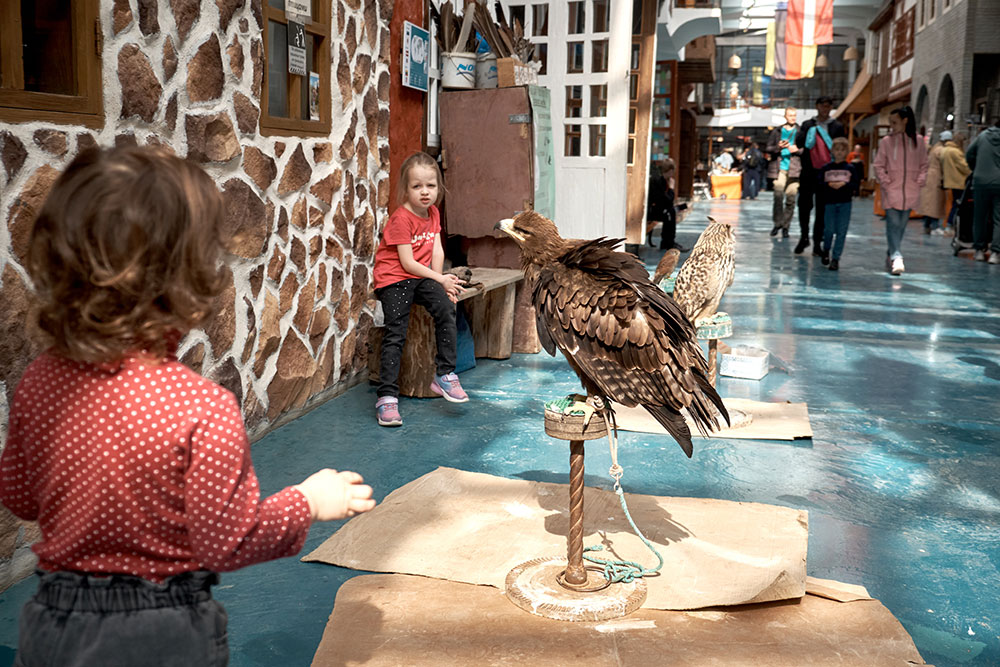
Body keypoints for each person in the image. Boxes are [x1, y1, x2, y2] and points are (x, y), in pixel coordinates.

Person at [0, 146, 377, 666]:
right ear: (187, 277)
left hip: (55, 623)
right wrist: (307, 502)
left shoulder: (41, 381)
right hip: (164, 632)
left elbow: (20, 497)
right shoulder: (202, 408)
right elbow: (228, 540)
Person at [373, 151, 468, 426]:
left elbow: (436, 250)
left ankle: (445, 374)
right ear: (406, 189)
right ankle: (386, 397)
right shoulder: (401, 219)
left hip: (421, 276)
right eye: (417, 186)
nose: (425, 192)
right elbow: (407, 262)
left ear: (439, 187)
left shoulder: (433, 212)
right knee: (396, 333)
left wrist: (441, 284)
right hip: (394, 278)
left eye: (431, 185)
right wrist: (440, 279)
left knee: (446, 307)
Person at [873, 106, 928, 275]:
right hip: (891, 190)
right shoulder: (886, 142)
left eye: (894, 122)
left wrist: (919, 181)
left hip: (910, 191)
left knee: (901, 226)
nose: (891, 126)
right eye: (890, 122)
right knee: (893, 224)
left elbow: (924, 164)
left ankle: (891, 252)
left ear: (905, 121)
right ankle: (897, 257)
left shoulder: (918, 141)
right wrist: (886, 182)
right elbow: (878, 165)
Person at [795, 96, 846, 256]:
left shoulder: (837, 126)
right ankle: (804, 236)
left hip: (826, 173)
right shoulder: (807, 124)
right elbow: (799, 143)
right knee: (804, 206)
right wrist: (810, 132)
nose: (825, 109)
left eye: (828, 106)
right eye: (822, 105)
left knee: (822, 209)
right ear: (817, 106)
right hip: (808, 171)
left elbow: (842, 147)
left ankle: (818, 242)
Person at [817, 137, 861, 271]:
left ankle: (836, 258)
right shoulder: (826, 168)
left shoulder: (850, 168)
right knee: (829, 230)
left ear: (847, 152)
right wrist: (828, 185)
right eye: (837, 149)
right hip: (829, 202)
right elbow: (819, 184)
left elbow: (855, 184)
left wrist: (845, 185)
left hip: (845, 203)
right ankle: (826, 249)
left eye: (842, 150)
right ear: (832, 151)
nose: (840, 152)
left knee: (841, 231)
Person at [966, 118, 1000, 262]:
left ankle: (979, 250)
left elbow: (969, 153)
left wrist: (976, 168)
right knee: (998, 218)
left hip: (981, 181)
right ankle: (995, 253)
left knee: (980, 216)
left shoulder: (983, 136)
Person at [765, 108, 802, 237]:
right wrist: (778, 147)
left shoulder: (800, 131)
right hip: (779, 169)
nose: (793, 117)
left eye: (794, 115)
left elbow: (807, 149)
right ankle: (777, 223)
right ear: (785, 116)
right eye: (790, 115)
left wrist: (796, 150)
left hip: (795, 169)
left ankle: (786, 226)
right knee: (778, 196)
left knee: (791, 200)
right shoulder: (777, 131)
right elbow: (768, 148)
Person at [647, 157, 687, 252]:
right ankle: (669, 243)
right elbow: (667, 199)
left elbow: (667, 201)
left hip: (659, 208)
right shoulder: (658, 181)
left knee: (672, 210)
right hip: (652, 211)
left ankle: (668, 242)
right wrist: (671, 188)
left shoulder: (663, 180)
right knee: (670, 212)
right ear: (670, 170)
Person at [917, 130, 948, 235]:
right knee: (935, 203)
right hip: (936, 178)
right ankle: (935, 226)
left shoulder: (934, 148)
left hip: (930, 177)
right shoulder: (941, 150)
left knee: (929, 204)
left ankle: (927, 225)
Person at [941, 131, 971, 233]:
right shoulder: (955, 152)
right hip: (958, 182)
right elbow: (964, 167)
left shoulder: (946, 150)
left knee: (954, 203)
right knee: (958, 204)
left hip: (950, 181)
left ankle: (950, 225)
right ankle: (950, 225)